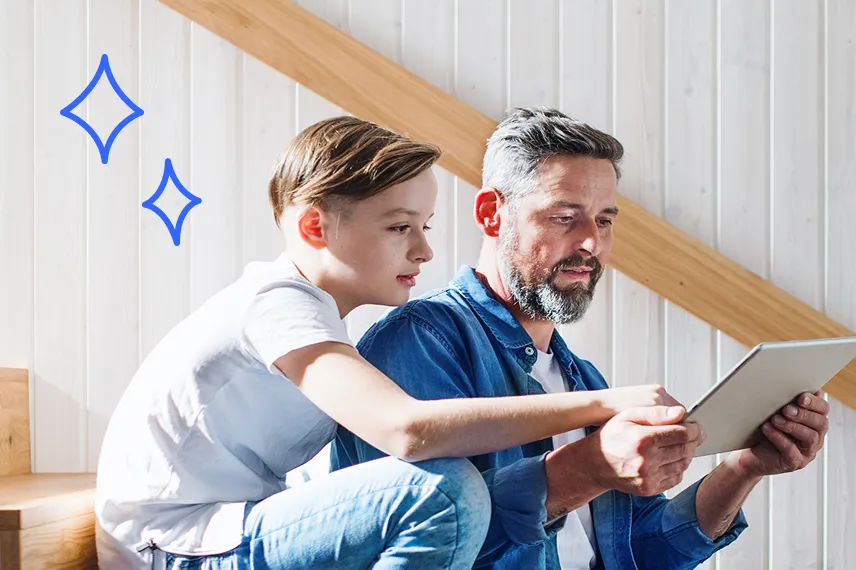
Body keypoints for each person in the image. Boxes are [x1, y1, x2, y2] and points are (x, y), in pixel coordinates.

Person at [93, 116, 682, 570]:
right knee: (445, 492)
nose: (423, 251)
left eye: (423, 228)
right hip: (170, 548)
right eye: (400, 227)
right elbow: (407, 429)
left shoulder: (317, 324)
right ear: (314, 227)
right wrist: (609, 406)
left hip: (227, 530)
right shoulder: (277, 304)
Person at [332, 107, 833, 570]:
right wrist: (587, 469)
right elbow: (420, 538)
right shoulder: (420, 342)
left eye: (605, 220)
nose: (591, 242)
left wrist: (743, 468)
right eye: (564, 217)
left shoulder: (580, 377)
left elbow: (637, 552)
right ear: (491, 213)